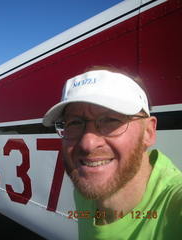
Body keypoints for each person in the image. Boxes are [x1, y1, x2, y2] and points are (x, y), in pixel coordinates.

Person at [42, 68, 182, 239]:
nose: (88, 144)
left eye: (111, 120)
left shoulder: (175, 204)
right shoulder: (87, 187)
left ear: (148, 132)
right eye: (74, 123)